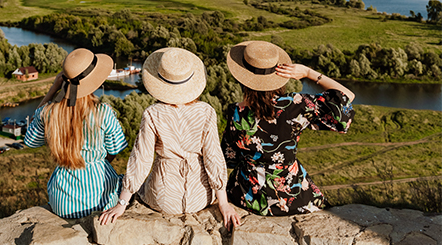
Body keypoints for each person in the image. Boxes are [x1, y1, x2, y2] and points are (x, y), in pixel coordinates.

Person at [99, 47, 241, 230]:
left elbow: (141, 160)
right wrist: (223, 204)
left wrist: (122, 204)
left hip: (163, 199)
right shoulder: (207, 112)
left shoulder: (152, 113)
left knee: (140, 186)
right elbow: (213, 157)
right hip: (200, 198)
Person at [222, 40, 355, 216]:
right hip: (291, 197)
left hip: (247, 197)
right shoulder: (296, 105)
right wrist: (309, 73)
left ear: (243, 79)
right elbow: (347, 98)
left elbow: (229, 159)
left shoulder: (235, 113)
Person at [24, 48, 128, 218]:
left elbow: (30, 141)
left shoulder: (49, 113)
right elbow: (115, 149)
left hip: (62, 202)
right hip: (100, 199)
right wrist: (97, 162)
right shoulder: (103, 112)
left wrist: (52, 91)